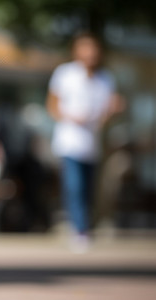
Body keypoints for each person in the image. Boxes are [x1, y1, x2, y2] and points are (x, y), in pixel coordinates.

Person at [46, 31, 124, 250]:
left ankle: (84, 226)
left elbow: (106, 113)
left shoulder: (105, 79)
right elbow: (52, 106)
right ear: (76, 51)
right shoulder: (64, 74)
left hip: (92, 144)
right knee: (74, 186)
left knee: (88, 189)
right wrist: (71, 117)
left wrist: (112, 111)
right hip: (69, 141)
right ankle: (79, 229)